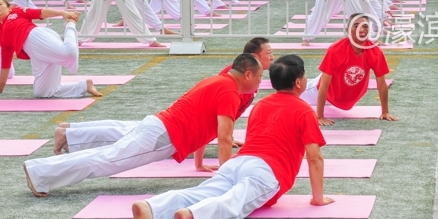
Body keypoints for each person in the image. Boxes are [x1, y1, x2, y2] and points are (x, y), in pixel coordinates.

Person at [131, 54, 333, 219]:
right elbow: (314, 157)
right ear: (299, 82)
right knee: (234, 203)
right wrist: (317, 199)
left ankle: (151, 208)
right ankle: (191, 218)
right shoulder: (304, 111)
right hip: (266, 172)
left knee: (201, 192)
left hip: (238, 163)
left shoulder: (261, 105)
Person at [22, 53, 262, 197]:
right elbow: (223, 138)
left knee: (106, 155)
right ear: (248, 74)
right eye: (260, 77)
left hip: (159, 127)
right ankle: (41, 172)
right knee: (106, 160)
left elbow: (209, 130)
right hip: (163, 135)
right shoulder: (229, 92)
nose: (261, 82)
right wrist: (229, 178)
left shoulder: (218, 81)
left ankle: (44, 168)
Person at [54, 38, 274, 155]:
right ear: (253, 59)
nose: (272, 57)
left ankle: (71, 130)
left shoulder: (244, 79)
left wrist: (223, 135)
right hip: (180, 124)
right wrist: (222, 137)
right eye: (269, 54)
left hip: (180, 122)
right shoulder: (235, 80)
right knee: (124, 135)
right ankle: (71, 134)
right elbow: (219, 114)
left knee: (127, 130)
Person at [299, 14, 396, 126]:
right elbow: (323, 85)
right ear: (348, 30)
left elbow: (382, 84)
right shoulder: (335, 50)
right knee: (292, 94)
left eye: (365, 26)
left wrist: (385, 112)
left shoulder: (375, 52)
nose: (362, 29)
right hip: (317, 91)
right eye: (356, 25)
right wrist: (320, 116)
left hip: (341, 94)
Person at [0, 0, 100, 98]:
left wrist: (63, 13)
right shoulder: (3, 37)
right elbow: (5, 64)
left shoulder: (16, 12)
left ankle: (70, 24)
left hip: (37, 37)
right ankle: (84, 86)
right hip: (35, 54)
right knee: (43, 92)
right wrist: (0, 88)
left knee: (69, 53)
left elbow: (40, 12)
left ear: (9, 8)